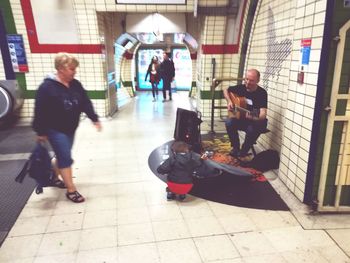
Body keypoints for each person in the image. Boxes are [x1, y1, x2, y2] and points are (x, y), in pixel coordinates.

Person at [32, 52, 102, 203]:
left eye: (74, 68)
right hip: (54, 129)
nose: (74, 71)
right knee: (65, 157)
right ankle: (71, 190)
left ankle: (54, 176)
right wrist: (41, 131)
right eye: (71, 68)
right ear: (61, 69)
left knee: (62, 154)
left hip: (70, 128)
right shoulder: (47, 87)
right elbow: (40, 110)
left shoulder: (75, 84)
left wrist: (94, 118)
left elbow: (85, 102)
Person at [223, 69, 267, 159]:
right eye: (246, 79)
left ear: (258, 81)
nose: (247, 82)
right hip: (242, 118)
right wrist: (229, 101)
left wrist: (255, 118)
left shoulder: (262, 93)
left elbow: (263, 114)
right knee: (229, 122)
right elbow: (225, 90)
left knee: (251, 130)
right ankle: (235, 147)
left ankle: (244, 150)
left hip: (256, 121)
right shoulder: (241, 88)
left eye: (251, 80)